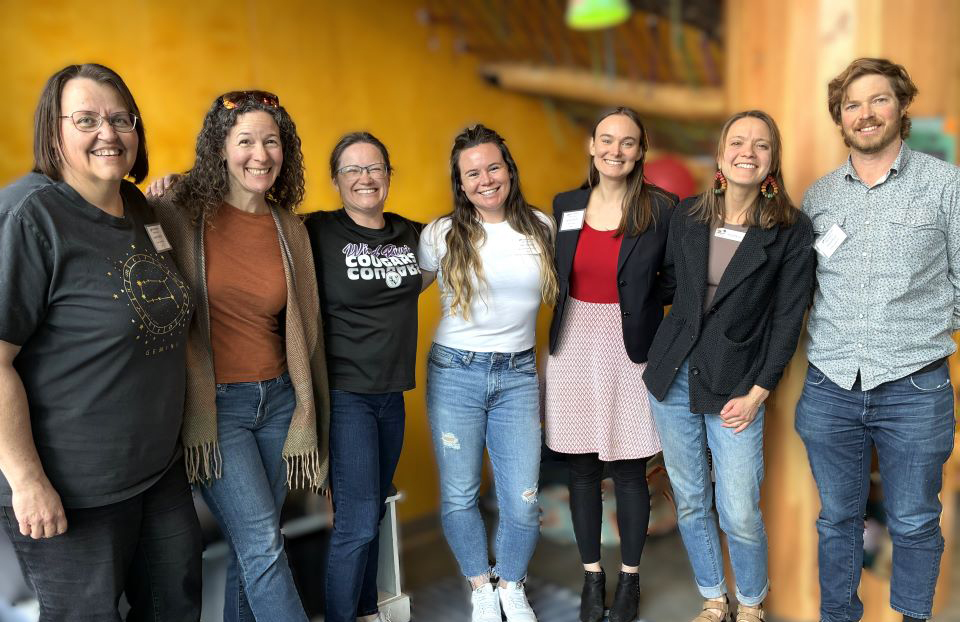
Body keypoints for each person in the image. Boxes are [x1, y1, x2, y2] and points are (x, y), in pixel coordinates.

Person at [0, 63, 202, 621]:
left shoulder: (139, 209)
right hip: (72, 490)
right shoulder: (29, 216)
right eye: (86, 119)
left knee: (175, 607)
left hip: (157, 473)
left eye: (120, 118)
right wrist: (27, 481)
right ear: (53, 131)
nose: (108, 133)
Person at [149, 90, 327, 622]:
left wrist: (304, 407)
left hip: (277, 403)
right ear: (220, 149)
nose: (260, 154)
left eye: (271, 141)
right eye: (245, 140)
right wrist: (158, 193)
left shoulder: (289, 228)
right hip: (216, 410)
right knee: (263, 548)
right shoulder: (180, 214)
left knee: (258, 548)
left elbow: (305, 330)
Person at [796, 58, 959, 622]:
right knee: (836, 518)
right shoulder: (818, 200)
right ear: (840, 119)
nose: (865, 114)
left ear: (901, 105)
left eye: (878, 100)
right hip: (831, 385)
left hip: (914, 387)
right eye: (852, 105)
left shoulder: (945, 185)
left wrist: (925, 330)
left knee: (914, 520)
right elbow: (805, 290)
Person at [643, 110, 815, 622]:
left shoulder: (789, 230)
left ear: (771, 161)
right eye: (737, 142)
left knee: (739, 510)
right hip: (672, 377)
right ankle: (714, 597)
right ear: (720, 156)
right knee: (692, 499)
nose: (748, 152)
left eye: (760, 145)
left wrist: (760, 390)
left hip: (738, 385)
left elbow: (789, 319)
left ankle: (751, 603)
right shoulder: (688, 216)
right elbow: (669, 287)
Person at [418, 124, 556, 622]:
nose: (485, 179)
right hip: (455, 373)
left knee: (522, 499)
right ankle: (481, 586)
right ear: (461, 182)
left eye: (493, 167)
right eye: (472, 173)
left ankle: (512, 584)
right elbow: (390, 296)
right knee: (460, 493)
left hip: (518, 376)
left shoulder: (541, 227)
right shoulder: (441, 234)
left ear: (509, 170)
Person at [544, 106, 676, 622]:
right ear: (591, 146)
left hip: (630, 347)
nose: (614, 150)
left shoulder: (662, 208)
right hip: (573, 341)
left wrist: (644, 308)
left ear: (641, 150)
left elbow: (674, 279)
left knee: (628, 470)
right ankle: (592, 576)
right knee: (581, 470)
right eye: (606, 139)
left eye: (627, 142)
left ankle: (630, 581)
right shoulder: (566, 204)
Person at [306, 132, 423, 622]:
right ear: (336, 180)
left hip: (390, 395)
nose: (365, 178)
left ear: (389, 176)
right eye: (352, 170)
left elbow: (473, 229)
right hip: (346, 396)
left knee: (373, 512)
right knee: (355, 522)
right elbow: (248, 219)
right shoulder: (315, 231)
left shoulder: (412, 233)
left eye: (374, 168)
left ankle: (366, 611)